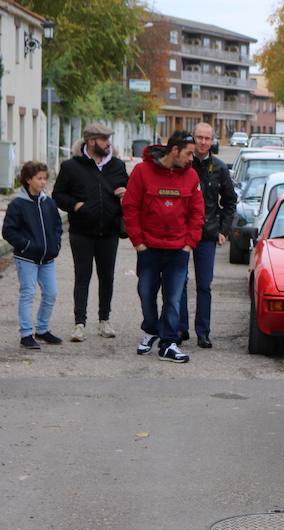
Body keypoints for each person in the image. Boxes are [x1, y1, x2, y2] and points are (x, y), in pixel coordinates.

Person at [122, 131, 204, 364]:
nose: (191, 159)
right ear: (174, 150)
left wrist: (189, 244)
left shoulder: (192, 177)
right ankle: (151, 329)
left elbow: (197, 213)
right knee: (146, 293)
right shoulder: (142, 172)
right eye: (188, 153)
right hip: (148, 248)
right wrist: (138, 242)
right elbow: (130, 207)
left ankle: (168, 343)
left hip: (178, 250)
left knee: (173, 298)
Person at [52, 123, 129, 342]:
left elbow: (131, 194)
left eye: (109, 138)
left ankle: (104, 320)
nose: (108, 143)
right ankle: (79, 324)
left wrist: (126, 192)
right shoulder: (71, 166)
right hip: (81, 232)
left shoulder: (117, 166)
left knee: (107, 278)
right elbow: (58, 194)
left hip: (110, 231)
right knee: (82, 277)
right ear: (91, 141)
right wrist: (75, 205)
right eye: (104, 139)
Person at [177, 122, 237, 349]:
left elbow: (230, 201)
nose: (202, 142)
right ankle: (181, 328)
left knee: (204, 285)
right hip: (181, 233)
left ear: (212, 141)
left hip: (207, 234)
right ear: (193, 138)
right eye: (199, 137)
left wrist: (224, 230)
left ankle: (203, 332)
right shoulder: (184, 165)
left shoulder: (220, 168)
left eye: (206, 138)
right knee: (179, 282)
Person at [2, 162, 63, 349]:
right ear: (28, 179)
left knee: (51, 293)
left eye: (45, 178)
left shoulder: (49, 202)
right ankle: (26, 334)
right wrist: (27, 245)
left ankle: (42, 330)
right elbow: (8, 231)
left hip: (47, 258)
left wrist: (55, 244)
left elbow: (57, 226)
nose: (43, 182)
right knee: (27, 294)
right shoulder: (17, 204)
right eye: (39, 178)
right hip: (26, 258)